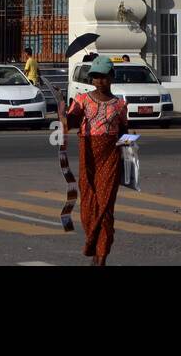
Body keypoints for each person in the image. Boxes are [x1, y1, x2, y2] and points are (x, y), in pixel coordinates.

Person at [58, 54, 128, 266]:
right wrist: (63, 111)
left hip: (111, 159)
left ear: (112, 77)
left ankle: (101, 256)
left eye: (104, 76)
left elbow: (124, 132)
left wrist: (128, 146)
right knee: (88, 206)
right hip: (88, 158)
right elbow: (70, 122)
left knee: (106, 209)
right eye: (96, 77)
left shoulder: (119, 105)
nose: (99, 81)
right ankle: (92, 244)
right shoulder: (83, 101)